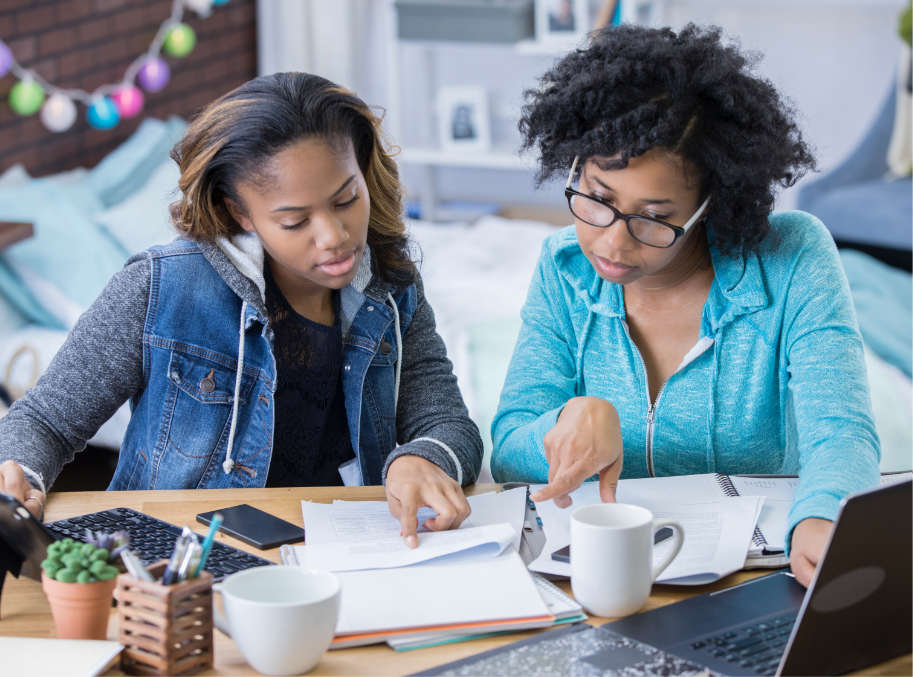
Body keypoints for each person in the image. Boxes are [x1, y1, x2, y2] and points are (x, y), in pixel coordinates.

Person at [0, 73, 482, 548]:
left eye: (346, 199)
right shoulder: (160, 287)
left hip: (352, 559)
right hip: (181, 569)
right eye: (295, 221)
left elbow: (448, 423)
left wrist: (424, 457)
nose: (333, 235)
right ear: (240, 213)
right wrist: (22, 476)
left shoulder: (390, 289)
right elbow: (44, 420)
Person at [491, 24, 880, 587]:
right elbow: (507, 449)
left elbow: (841, 431)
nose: (611, 242)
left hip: (760, 574)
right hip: (604, 573)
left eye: (653, 216)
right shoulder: (562, 267)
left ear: (711, 203)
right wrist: (559, 427)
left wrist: (822, 517)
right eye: (597, 200)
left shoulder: (794, 257)